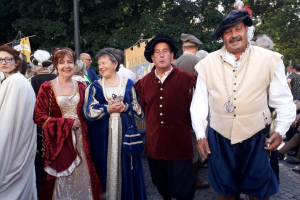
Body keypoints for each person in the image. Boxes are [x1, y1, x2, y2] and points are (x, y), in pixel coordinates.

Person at [191, 9, 295, 200]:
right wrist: (200, 134)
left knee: (258, 191)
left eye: (238, 29)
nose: (234, 35)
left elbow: (283, 101)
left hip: (256, 135)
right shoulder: (207, 63)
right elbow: (199, 104)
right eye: (228, 32)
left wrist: (280, 131)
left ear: (247, 30)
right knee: (224, 190)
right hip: (219, 135)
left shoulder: (270, 59)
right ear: (222, 36)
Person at [33, 47, 102, 200]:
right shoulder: (47, 87)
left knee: (84, 177)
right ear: (55, 66)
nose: (66, 66)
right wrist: (65, 124)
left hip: (82, 142)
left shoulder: (82, 86)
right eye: (61, 62)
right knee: (61, 181)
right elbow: (38, 116)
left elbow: (89, 112)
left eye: (70, 62)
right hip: (59, 142)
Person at [135, 33, 196, 200]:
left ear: (171, 55)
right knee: (160, 183)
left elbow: (195, 111)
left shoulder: (188, 80)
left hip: (180, 145)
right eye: (157, 52)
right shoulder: (142, 83)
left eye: (165, 51)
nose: (161, 55)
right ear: (152, 57)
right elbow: (142, 109)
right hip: (155, 145)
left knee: (184, 189)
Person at [83, 47, 147, 200]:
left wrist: (126, 107)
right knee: (103, 169)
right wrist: (107, 108)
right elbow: (88, 111)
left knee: (127, 170)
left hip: (125, 136)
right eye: (99, 64)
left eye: (104, 63)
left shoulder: (129, 84)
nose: (101, 67)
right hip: (102, 138)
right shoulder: (95, 87)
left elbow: (139, 111)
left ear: (115, 63)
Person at [0, 45, 37, 199]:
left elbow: (6, 123)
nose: (4, 62)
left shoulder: (13, 82)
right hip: (22, 145)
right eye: (0, 59)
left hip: (13, 146)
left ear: (16, 62)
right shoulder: (20, 80)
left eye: (8, 59)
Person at [174, 33, 209, 189]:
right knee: (193, 144)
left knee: (179, 143)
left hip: (175, 109)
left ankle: (179, 178)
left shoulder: (174, 62)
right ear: (197, 48)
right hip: (192, 108)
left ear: (183, 47)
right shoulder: (198, 62)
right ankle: (194, 179)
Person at [29, 49, 57, 193]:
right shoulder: (58, 78)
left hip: (40, 124)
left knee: (41, 156)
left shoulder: (32, 81)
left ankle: (42, 186)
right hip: (57, 121)